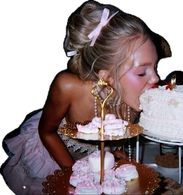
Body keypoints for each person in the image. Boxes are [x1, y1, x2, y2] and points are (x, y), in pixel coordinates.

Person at [0, 0, 171, 194]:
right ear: (106, 76)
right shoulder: (68, 86)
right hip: (56, 156)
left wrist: (112, 154)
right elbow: (47, 132)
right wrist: (74, 174)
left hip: (98, 162)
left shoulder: (136, 92)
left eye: (155, 67)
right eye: (142, 72)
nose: (156, 78)